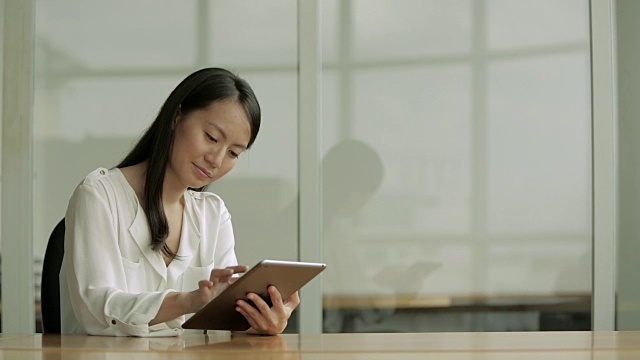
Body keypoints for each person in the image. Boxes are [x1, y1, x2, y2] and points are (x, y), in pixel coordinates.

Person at [59, 68, 299, 337]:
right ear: (177, 116)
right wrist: (189, 301)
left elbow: (225, 324)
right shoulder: (100, 195)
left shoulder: (212, 214)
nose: (217, 159)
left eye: (233, 153)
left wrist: (262, 322)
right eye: (211, 137)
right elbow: (96, 310)